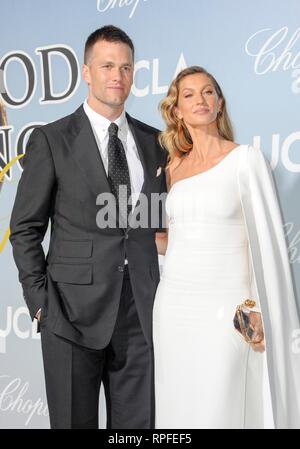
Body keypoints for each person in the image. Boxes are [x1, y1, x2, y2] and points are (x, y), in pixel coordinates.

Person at [9, 25, 167, 429]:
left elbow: (156, 225)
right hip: (69, 315)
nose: (118, 76)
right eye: (108, 65)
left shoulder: (156, 143)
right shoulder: (52, 139)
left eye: (126, 67)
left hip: (141, 319)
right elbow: (25, 228)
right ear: (86, 72)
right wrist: (41, 303)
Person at [153, 66, 300, 429]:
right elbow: (173, 240)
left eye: (208, 92)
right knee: (177, 411)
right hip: (172, 309)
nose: (200, 100)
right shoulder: (171, 170)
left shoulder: (245, 160)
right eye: (189, 94)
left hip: (225, 311)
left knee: (219, 410)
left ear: (220, 103)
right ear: (177, 110)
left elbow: (265, 246)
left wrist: (256, 309)